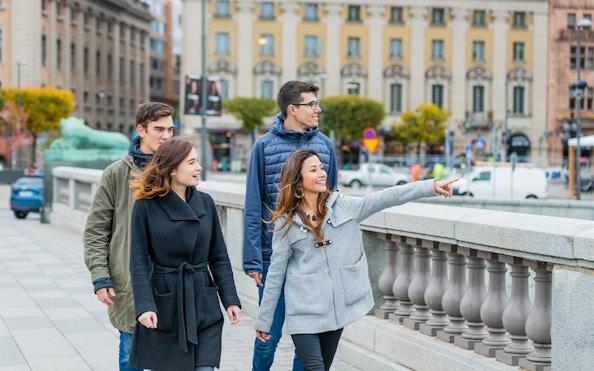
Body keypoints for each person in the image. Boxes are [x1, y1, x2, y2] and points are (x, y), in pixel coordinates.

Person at [255, 149, 457, 371]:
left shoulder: (343, 206)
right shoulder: (286, 222)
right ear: (298, 180)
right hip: (303, 311)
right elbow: (275, 274)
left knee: (322, 366)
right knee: (314, 368)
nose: (322, 173)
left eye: (321, 167)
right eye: (313, 170)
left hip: (336, 311)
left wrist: (429, 186)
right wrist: (265, 321)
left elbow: (387, 197)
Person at [243, 80, 339, 371]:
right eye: (312, 104)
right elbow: (252, 204)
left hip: (313, 261)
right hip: (275, 260)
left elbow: (332, 203)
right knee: (267, 337)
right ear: (292, 109)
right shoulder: (263, 146)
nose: (318, 109)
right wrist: (253, 260)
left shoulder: (324, 145)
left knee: (309, 340)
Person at [128, 139, 241, 371]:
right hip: (166, 304)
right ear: (171, 168)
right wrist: (145, 305)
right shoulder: (146, 206)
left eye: (197, 161)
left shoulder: (206, 202)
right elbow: (138, 262)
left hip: (204, 301)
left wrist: (230, 299)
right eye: (191, 162)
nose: (199, 167)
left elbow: (218, 256)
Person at [83, 102, 175, 371]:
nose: (166, 136)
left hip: (171, 279)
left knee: (171, 358)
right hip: (131, 278)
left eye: (170, 129)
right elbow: (96, 230)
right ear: (140, 130)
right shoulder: (116, 173)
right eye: (159, 129)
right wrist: (100, 277)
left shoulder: (178, 170)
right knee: (130, 355)